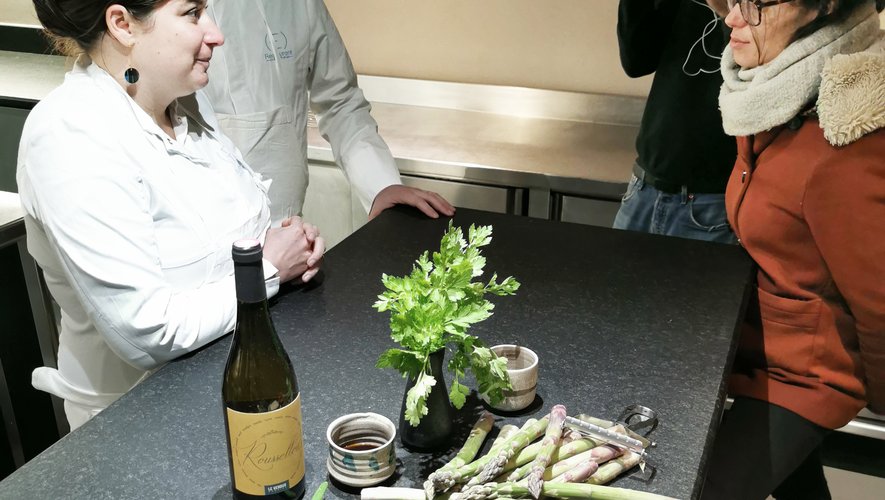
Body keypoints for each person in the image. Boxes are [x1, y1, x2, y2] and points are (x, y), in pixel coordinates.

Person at [20, 0, 323, 430]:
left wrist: (285, 242)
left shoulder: (185, 106)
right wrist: (269, 268)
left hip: (234, 391)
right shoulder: (70, 135)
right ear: (122, 24)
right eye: (193, 13)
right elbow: (146, 332)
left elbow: (206, 243)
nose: (216, 33)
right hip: (140, 425)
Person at [701, 1, 884, 498]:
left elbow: (879, 302)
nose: (732, 19)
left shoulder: (847, 135)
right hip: (758, 349)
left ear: (823, 6)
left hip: (807, 375)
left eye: (756, 5)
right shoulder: (780, 92)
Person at [202, 0, 455, 226]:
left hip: (290, 233)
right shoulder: (174, 14)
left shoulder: (300, 5)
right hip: (203, 236)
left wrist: (381, 185)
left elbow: (340, 100)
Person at [614, 0, 738, 243]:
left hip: (713, 202)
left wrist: (726, 11)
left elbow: (759, 75)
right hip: (644, 185)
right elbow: (637, 61)